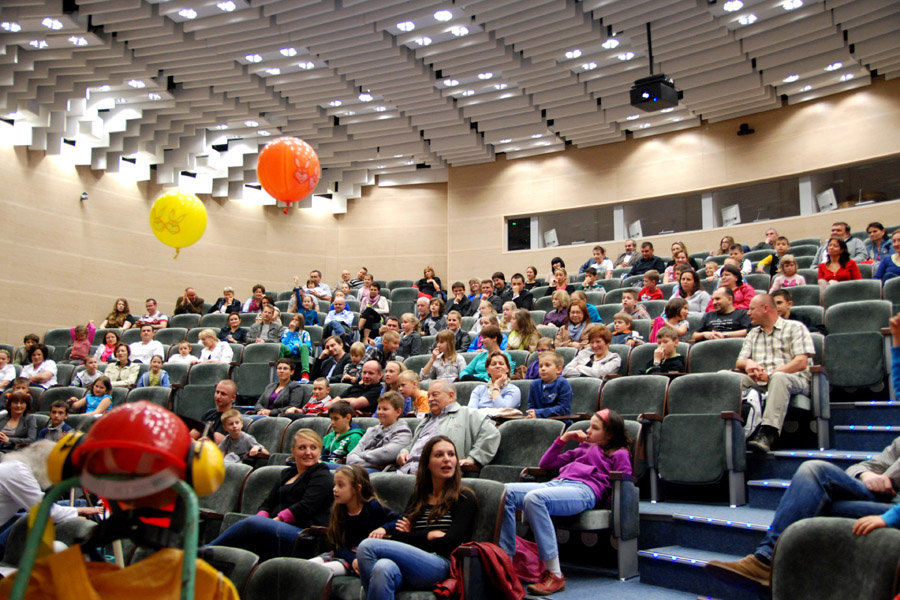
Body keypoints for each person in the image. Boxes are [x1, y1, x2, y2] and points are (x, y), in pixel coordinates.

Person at [707, 311, 900, 593]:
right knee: (814, 473)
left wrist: (890, 519)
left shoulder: (794, 328)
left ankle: (767, 561)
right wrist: (867, 476)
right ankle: (768, 563)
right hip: (877, 494)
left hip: (892, 507)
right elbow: (860, 467)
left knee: (815, 494)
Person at [500, 408, 632, 595]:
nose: (588, 431)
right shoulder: (582, 448)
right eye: (589, 427)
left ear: (610, 434)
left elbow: (624, 484)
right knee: (503, 492)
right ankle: (507, 563)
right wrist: (564, 438)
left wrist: (606, 505)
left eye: (595, 428)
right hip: (557, 484)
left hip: (585, 490)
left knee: (535, 499)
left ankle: (554, 573)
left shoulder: (619, 453)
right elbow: (546, 464)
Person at [358, 436, 477, 599]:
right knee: (382, 568)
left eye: (451, 454)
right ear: (427, 463)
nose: (447, 459)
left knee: (367, 546)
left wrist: (411, 536)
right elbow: (398, 535)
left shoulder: (464, 498)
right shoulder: (419, 497)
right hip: (411, 564)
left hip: (441, 565)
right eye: (439, 455)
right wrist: (428, 535)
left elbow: (450, 543)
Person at [208, 428, 333, 560]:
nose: (308, 452)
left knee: (252, 524)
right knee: (248, 535)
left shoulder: (321, 474)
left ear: (319, 451)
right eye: (302, 448)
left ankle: (206, 551)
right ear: (293, 451)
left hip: (302, 534)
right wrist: (263, 520)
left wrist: (269, 522)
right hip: (276, 528)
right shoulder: (287, 473)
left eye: (313, 448)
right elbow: (267, 503)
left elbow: (306, 507)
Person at [738, 294, 815, 454]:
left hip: (794, 379)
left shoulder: (795, 327)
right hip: (760, 381)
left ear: (765, 308)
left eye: (751, 309)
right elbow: (740, 361)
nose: (748, 313)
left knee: (778, 378)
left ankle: (767, 434)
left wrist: (771, 374)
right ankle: (729, 427)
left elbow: (801, 362)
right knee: (727, 377)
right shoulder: (753, 333)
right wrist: (748, 363)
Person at [0, 441, 102, 554]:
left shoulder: (14, 465)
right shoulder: (18, 473)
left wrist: (79, 509)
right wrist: (78, 514)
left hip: (8, 519)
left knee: (80, 503)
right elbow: (46, 512)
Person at [310, 466, 399, 577]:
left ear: (357, 488)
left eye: (340, 485)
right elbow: (336, 544)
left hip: (362, 559)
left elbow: (399, 519)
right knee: (305, 567)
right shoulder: (338, 509)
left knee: (317, 573)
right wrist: (352, 560)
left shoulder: (373, 506)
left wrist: (384, 528)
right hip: (345, 556)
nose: (334, 489)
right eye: (335, 484)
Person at [397, 380, 500, 473]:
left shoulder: (468, 414)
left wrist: (473, 458)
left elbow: (491, 434)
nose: (430, 399)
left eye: (435, 395)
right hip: (406, 470)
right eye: (429, 396)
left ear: (450, 396)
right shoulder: (426, 421)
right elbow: (413, 444)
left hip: (438, 474)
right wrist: (404, 452)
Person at [346, 392, 412, 471]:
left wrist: (360, 455)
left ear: (398, 412)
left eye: (385, 409)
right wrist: (372, 465)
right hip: (366, 467)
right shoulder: (371, 430)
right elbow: (351, 456)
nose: (380, 412)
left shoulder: (403, 433)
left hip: (380, 472)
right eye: (379, 408)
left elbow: (385, 455)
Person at [526, 352, 572, 419]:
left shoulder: (563, 383)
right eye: (540, 366)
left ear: (558, 369)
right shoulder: (534, 384)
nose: (543, 369)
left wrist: (539, 413)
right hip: (538, 420)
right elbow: (531, 406)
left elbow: (563, 408)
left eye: (547, 365)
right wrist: (532, 413)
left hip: (560, 420)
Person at [191, 379, 237, 444]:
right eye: (217, 392)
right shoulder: (209, 413)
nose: (218, 396)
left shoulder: (232, 417)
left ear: (233, 397)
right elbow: (190, 436)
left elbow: (217, 440)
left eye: (223, 394)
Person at [280, 314, 311, 382]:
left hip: (300, 349)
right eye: (292, 319)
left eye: (296, 320)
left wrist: (298, 346)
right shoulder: (286, 332)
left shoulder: (305, 333)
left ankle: (305, 374)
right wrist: (290, 331)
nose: (294, 321)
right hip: (289, 349)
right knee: (280, 346)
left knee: (304, 346)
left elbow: (308, 345)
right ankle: (279, 369)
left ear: (300, 322)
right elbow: (284, 343)